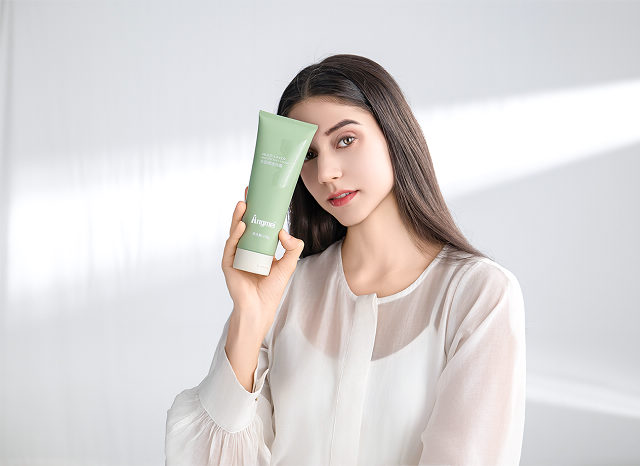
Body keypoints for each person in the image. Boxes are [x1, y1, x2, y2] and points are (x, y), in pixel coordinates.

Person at [165, 54, 526, 465]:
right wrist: (249, 317)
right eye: (309, 155)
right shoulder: (283, 292)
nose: (326, 173)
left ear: (393, 132)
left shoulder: (477, 294)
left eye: (345, 140)